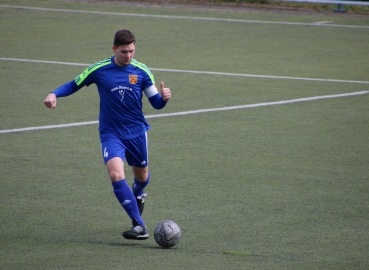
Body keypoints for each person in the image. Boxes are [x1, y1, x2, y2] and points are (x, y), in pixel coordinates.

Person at [43, 29, 171, 240]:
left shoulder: (142, 72)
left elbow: (156, 104)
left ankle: (138, 193)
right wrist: (53, 93)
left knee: (142, 177)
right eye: (124, 51)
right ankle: (139, 225)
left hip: (137, 132)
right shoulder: (99, 69)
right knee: (115, 174)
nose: (128, 55)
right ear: (114, 49)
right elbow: (74, 84)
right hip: (111, 133)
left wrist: (164, 98)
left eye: (131, 51)